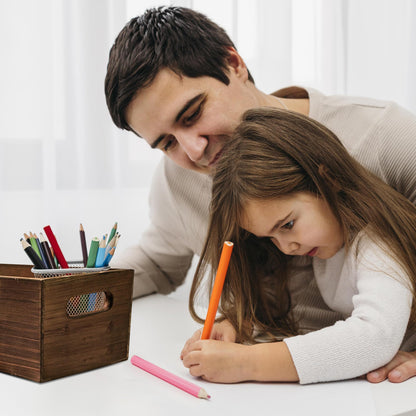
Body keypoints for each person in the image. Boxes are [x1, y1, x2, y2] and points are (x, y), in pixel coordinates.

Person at [104, 6, 416, 383]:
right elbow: (156, 264)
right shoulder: (177, 180)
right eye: (167, 142)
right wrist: (70, 295)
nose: (193, 150)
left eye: (192, 114)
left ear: (233, 63)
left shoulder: (386, 136)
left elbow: (373, 335)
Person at [180, 107, 416, 384]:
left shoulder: (377, 241)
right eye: (270, 237)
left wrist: (245, 363)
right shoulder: (325, 242)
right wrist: (236, 325)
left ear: (327, 180)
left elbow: (374, 337)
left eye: (287, 225)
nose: (285, 247)